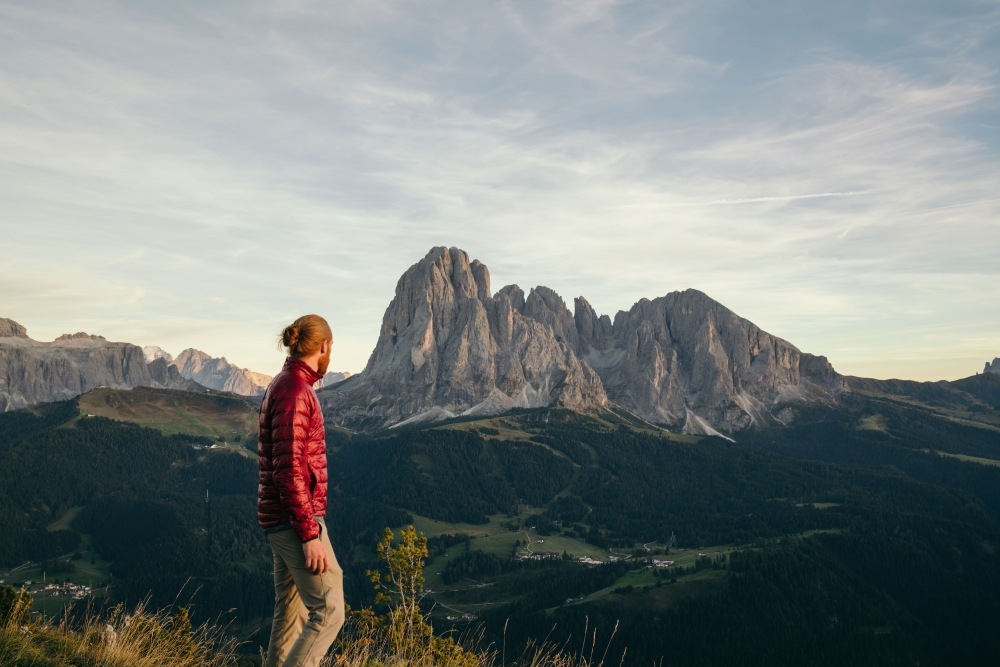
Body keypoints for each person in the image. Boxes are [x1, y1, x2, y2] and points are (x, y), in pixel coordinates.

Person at [258, 314, 345, 667]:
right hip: (295, 522)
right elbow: (289, 470)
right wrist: (310, 534)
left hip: (282, 520)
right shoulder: (295, 391)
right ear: (323, 346)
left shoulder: (286, 382)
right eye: (331, 347)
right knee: (329, 611)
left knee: (291, 616)